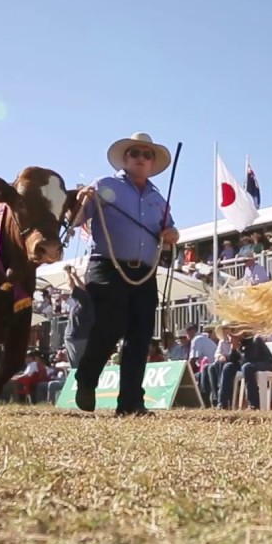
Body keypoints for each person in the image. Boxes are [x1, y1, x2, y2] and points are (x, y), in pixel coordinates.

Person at [69, 131, 178, 416]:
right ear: (125, 158)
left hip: (144, 272)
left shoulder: (158, 198)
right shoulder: (103, 185)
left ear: (153, 162)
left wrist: (171, 234)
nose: (141, 158)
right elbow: (76, 219)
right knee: (111, 324)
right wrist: (79, 201)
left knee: (140, 336)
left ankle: (131, 403)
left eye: (147, 154)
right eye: (135, 153)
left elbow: (171, 229)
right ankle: (87, 378)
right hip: (106, 265)